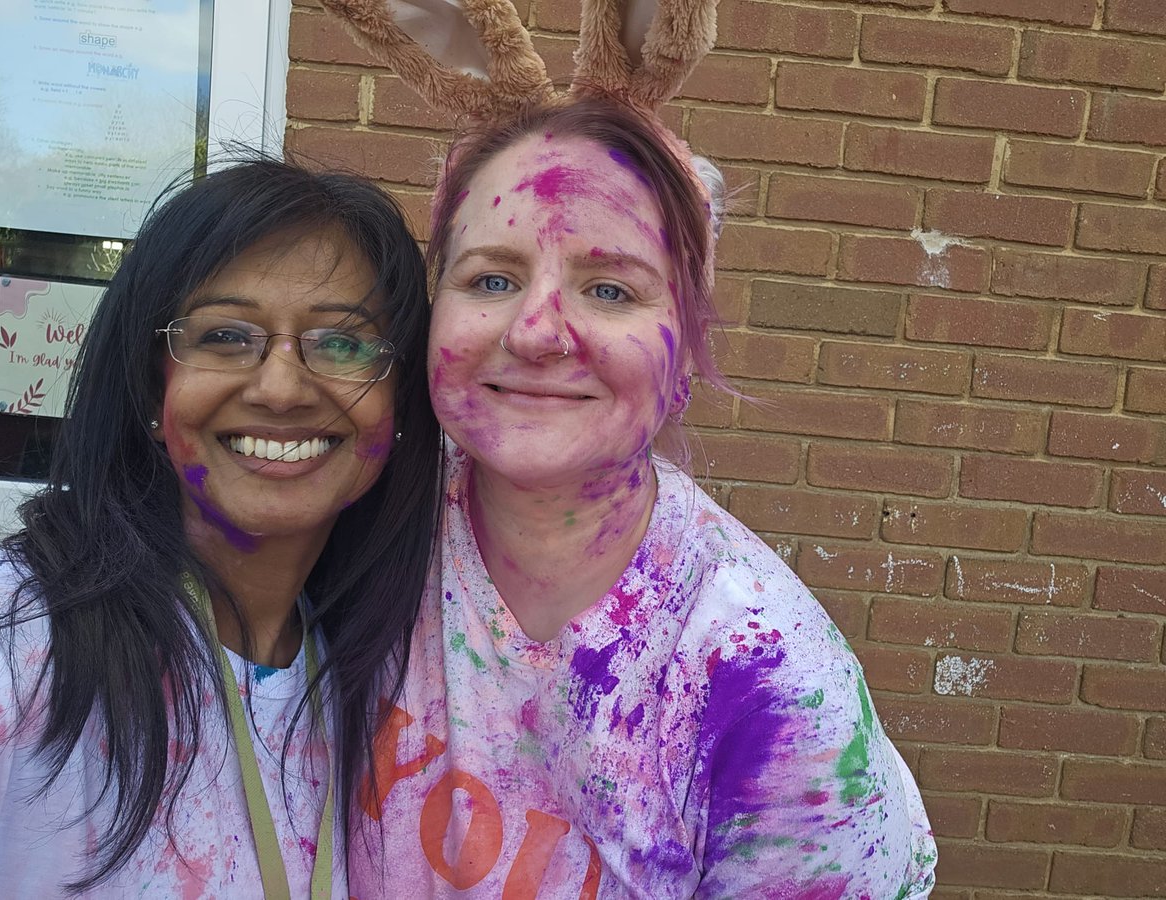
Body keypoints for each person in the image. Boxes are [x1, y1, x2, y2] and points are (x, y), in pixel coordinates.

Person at [348, 95, 937, 897]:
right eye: (491, 277)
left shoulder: (769, 688)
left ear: (685, 353)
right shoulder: (353, 529)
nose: (535, 330)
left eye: (612, 291)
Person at [0, 159, 440, 896]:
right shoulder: (6, 644)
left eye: (343, 342)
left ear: (401, 409)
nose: (281, 387)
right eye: (224, 335)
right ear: (153, 389)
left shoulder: (388, 687)